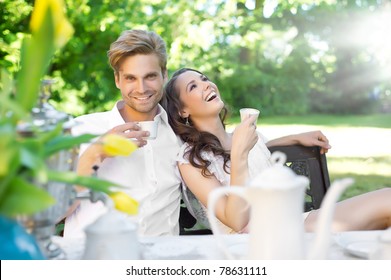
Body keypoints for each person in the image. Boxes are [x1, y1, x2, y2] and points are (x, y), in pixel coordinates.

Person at [163, 67, 391, 234]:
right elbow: (236, 221)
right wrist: (239, 153)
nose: (207, 85)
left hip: (289, 224)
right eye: (194, 86)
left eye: (205, 79)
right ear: (182, 110)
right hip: (256, 242)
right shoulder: (190, 161)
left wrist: (293, 138)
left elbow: (258, 152)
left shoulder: (245, 137)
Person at [63, 30, 182, 237]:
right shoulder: (82, 130)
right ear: (118, 80)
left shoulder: (179, 136)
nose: (141, 88)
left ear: (164, 75)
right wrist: (95, 153)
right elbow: (51, 214)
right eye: (130, 78)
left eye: (150, 76)